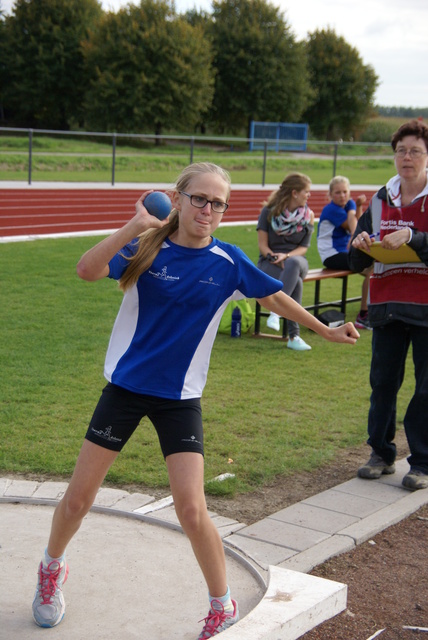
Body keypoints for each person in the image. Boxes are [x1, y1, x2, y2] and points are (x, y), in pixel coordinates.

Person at [31, 162, 359, 638]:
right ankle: (50, 568)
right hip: (125, 389)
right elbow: (87, 269)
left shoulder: (227, 261)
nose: (208, 210)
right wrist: (137, 223)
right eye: (199, 199)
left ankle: (220, 606)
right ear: (179, 199)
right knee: (79, 500)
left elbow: (273, 298)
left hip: (180, 398)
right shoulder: (147, 245)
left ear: (225, 210)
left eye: (218, 203)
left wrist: (323, 329)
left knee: (191, 508)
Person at [349, 120, 428, 491]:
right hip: (387, 307)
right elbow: (354, 263)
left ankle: (423, 463)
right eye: (400, 150)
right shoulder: (380, 199)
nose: (406, 158)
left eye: (415, 151)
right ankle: (381, 454)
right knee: (382, 385)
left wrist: (413, 236)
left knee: (426, 389)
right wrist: (360, 243)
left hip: (426, 309)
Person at [257, 172, 314, 351]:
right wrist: (274, 257)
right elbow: (263, 246)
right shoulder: (268, 212)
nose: (309, 196)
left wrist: (287, 257)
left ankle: (276, 311)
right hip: (270, 262)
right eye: (306, 191)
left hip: (297, 261)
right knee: (294, 280)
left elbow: (304, 248)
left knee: (294, 264)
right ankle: (294, 336)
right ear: (294, 193)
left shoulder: (308, 216)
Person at [317, 176, 372, 329]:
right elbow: (351, 226)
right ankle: (364, 315)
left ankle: (371, 308)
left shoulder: (349, 205)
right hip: (331, 255)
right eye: (337, 193)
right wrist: (353, 211)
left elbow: (358, 224)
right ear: (330, 194)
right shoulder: (331, 209)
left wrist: (357, 207)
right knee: (373, 268)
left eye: (345, 192)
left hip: (344, 252)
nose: (342, 196)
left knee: (375, 267)